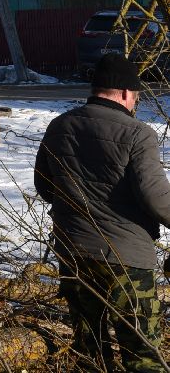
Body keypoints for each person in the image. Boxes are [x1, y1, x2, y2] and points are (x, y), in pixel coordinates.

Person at [34, 52, 170, 371]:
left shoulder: (60, 125)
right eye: (135, 96)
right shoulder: (137, 134)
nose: (135, 103)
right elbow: (155, 197)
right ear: (125, 93)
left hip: (73, 253)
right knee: (142, 355)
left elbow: (43, 185)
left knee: (90, 349)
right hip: (126, 260)